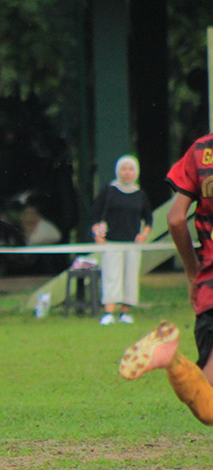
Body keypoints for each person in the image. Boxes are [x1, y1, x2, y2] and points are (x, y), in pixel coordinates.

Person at [119, 133, 213, 425]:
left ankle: (172, 361)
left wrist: (191, 272)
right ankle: (171, 361)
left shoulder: (202, 149)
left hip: (209, 287)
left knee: (209, 401)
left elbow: (174, 218)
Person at [90, 155, 153, 325]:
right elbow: (96, 213)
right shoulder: (109, 190)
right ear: (118, 171)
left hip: (132, 244)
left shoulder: (140, 194)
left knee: (130, 277)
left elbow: (148, 218)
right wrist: (97, 233)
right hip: (111, 243)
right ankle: (109, 312)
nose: (127, 173)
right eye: (124, 169)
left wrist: (144, 234)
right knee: (111, 275)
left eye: (130, 169)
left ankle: (125, 312)